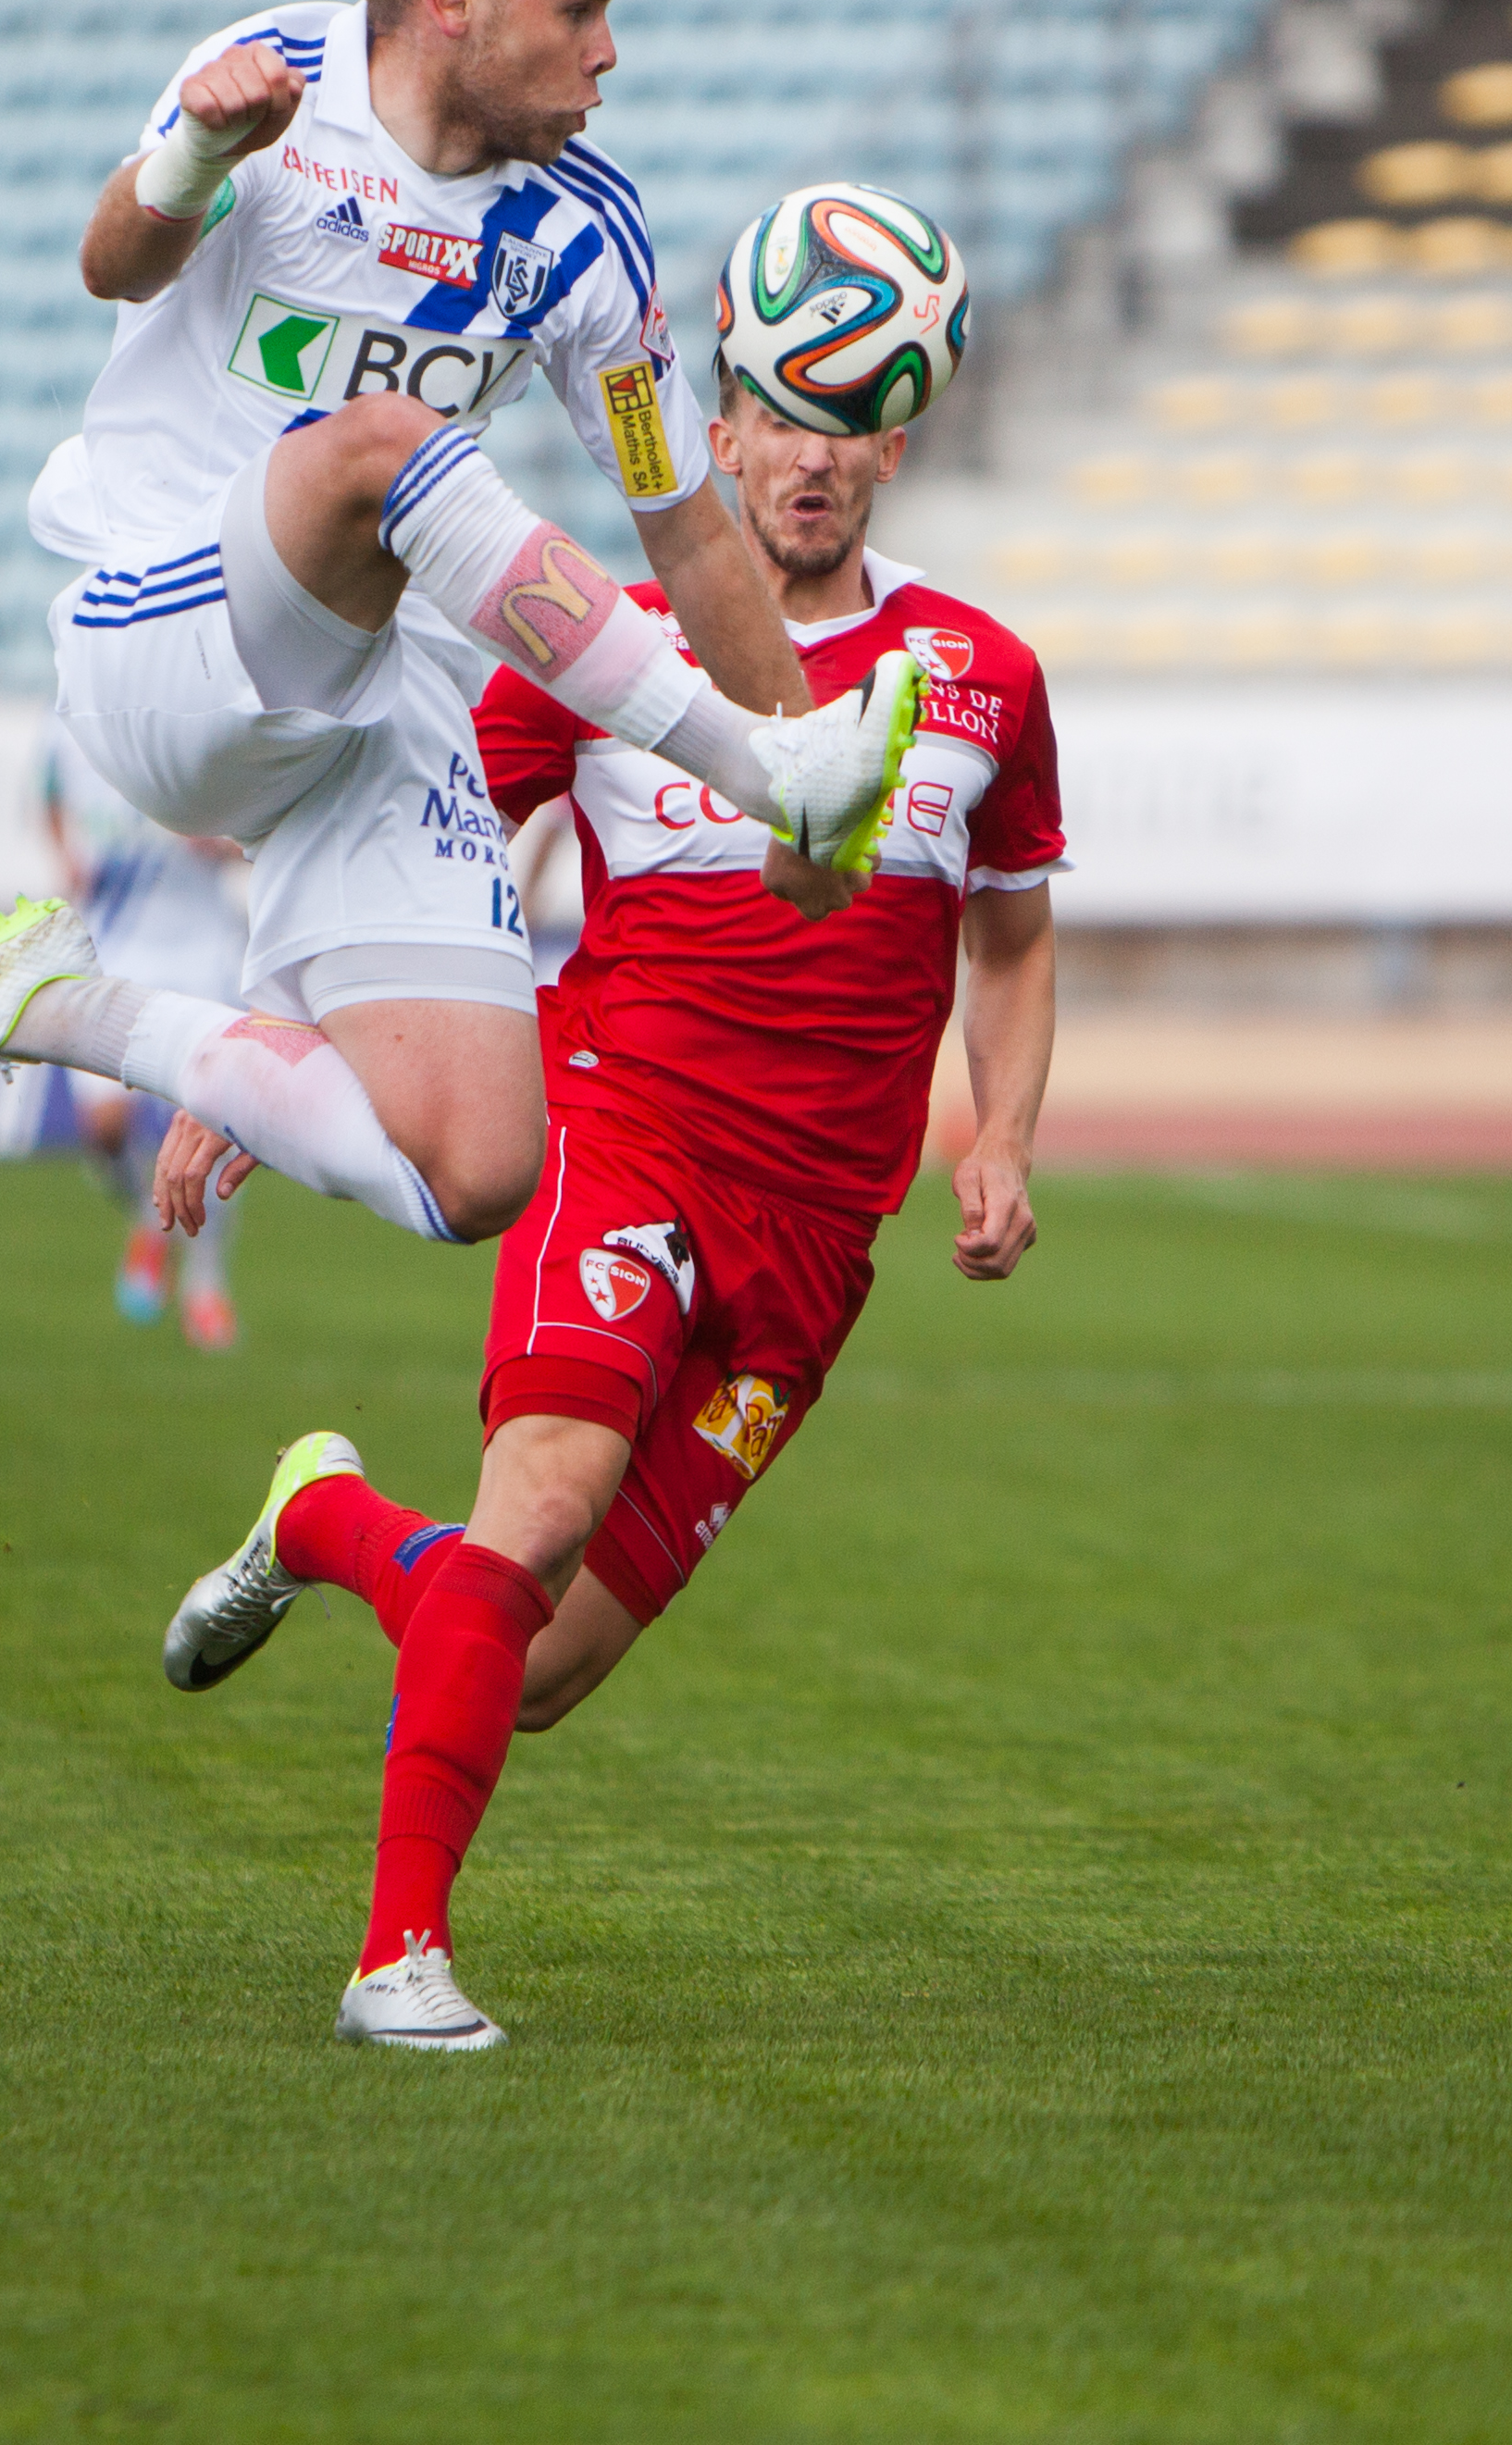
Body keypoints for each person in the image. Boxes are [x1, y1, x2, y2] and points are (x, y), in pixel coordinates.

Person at [0, 0, 922, 1249]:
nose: (610, 54)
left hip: (369, 710)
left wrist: (813, 748)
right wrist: (200, 149)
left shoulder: (587, 237)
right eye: (581, 11)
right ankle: (767, 779)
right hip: (163, 639)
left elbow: (690, 533)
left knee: (477, 1173)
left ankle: (54, 1006)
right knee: (388, 445)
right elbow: (113, 263)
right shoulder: (272, 80)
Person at [153, 340, 1067, 2050]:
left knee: (545, 1661)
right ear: (713, 441)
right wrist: (268, 1048)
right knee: (543, 1507)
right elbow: (411, 848)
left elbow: (1010, 935)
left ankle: (323, 1520)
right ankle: (395, 1961)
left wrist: (999, 1132)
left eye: (847, 430)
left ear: (891, 457)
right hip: (624, 1132)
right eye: (781, 420)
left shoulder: (981, 677)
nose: (809, 458)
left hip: (814, 1247)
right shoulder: (603, 648)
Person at [43, 719, 245, 1349]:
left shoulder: (198, 716)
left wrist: (224, 841)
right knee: (103, 1130)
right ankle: (147, 1219)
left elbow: (264, 822)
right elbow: (48, 793)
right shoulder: (68, 722)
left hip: (201, 946)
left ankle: (205, 1286)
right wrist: (66, 855)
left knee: (214, 1126)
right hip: (115, 944)